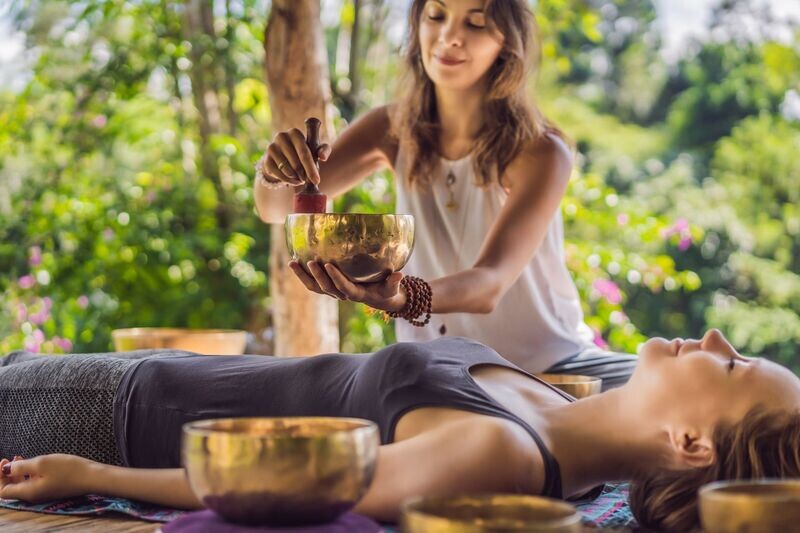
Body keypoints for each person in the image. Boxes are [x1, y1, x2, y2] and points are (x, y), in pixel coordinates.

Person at [1, 329, 799, 532]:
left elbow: (279, 482)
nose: (718, 344)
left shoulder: (503, 455)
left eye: (732, 369)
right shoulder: (554, 425)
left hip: (114, 412)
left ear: (692, 445)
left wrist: (88, 475)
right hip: (134, 379)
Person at [253, 0, 636, 387]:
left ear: (507, 41)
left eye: (476, 23)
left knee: (675, 380)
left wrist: (403, 296)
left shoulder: (542, 150)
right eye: (436, 16)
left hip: (554, 368)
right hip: (439, 372)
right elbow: (276, 209)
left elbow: (490, 283)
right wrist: (274, 173)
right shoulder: (390, 128)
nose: (450, 37)